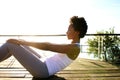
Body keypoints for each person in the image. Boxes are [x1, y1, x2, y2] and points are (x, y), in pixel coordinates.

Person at [0, 16, 88, 78]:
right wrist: (21, 42)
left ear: (77, 32)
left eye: (69, 30)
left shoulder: (74, 48)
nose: (66, 32)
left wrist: (21, 42)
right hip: (43, 63)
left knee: (10, 44)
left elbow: (48, 46)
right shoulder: (73, 46)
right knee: (18, 43)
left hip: (42, 70)